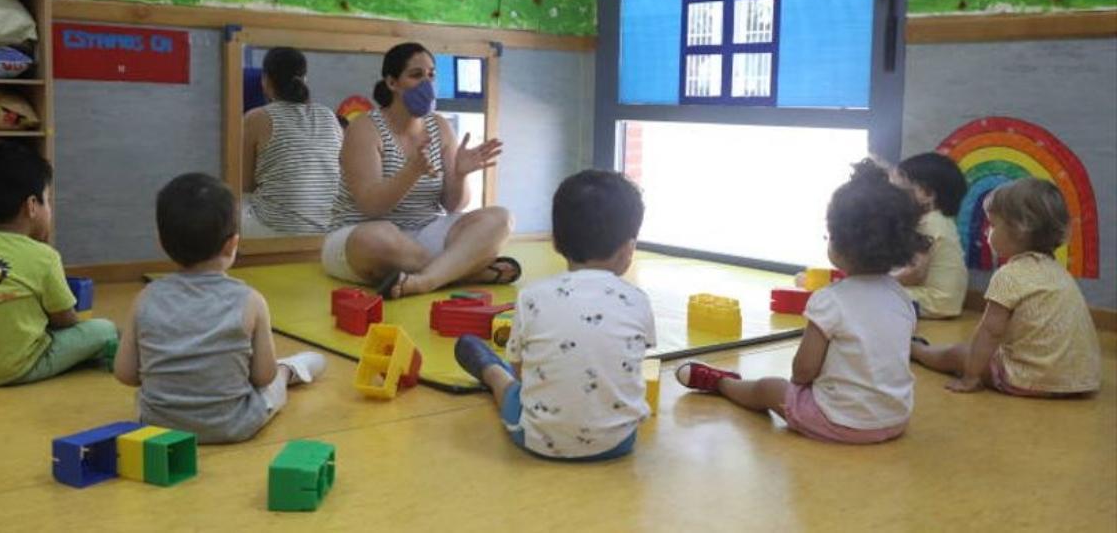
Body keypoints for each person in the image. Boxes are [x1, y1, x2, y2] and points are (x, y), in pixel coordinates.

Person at [676, 160, 927, 444]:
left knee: (770, 388)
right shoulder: (901, 297)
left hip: (840, 422)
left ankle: (722, 383)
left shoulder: (831, 300)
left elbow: (803, 371)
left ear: (839, 244)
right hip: (894, 420)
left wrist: (805, 389)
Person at [454, 169, 655, 460]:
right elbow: (633, 363)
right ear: (629, 249)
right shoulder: (639, 300)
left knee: (507, 386)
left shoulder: (532, 296)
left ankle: (488, 370)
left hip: (538, 440)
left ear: (555, 242)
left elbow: (521, 373)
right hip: (620, 441)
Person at [114, 173, 327, 443]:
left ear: (161, 241)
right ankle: (292, 370)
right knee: (275, 383)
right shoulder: (251, 301)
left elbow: (125, 373)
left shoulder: (145, 299)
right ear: (232, 244)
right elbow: (263, 376)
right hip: (233, 424)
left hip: (159, 424)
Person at [322, 42, 518, 298]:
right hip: (361, 235)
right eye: (416, 75)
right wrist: (412, 171)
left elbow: (453, 206)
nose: (427, 83)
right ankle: (467, 272)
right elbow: (371, 206)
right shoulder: (365, 129)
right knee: (376, 237)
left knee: (501, 218)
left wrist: (460, 174)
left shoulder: (440, 127)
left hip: (425, 234)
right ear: (392, 83)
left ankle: (425, 281)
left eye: (431, 75)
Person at [0, 141, 117, 386]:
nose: (49, 208)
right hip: (13, 368)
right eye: (47, 200)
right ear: (31, 206)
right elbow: (66, 321)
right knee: (104, 329)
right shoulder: (43, 256)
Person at [911, 178, 1101, 396]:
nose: (986, 233)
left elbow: (990, 331)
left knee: (959, 353)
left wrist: (971, 376)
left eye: (992, 225)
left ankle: (916, 350)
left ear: (1019, 229)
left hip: (1028, 379)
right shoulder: (1060, 273)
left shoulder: (1010, 275)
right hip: (1081, 380)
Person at [242, 47, 342, 236]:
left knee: (234, 206)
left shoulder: (256, 118)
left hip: (276, 228)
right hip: (328, 229)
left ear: (265, 80)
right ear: (305, 79)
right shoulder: (328, 115)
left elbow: (244, 185)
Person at [892, 152, 969, 318]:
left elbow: (914, 273)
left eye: (900, 191)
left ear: (928, 195)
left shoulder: (929, 224)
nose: (893, 199)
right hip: (943, 301)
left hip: (935, 302)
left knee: (869, 295)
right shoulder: (940, 221)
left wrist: (878, 282)